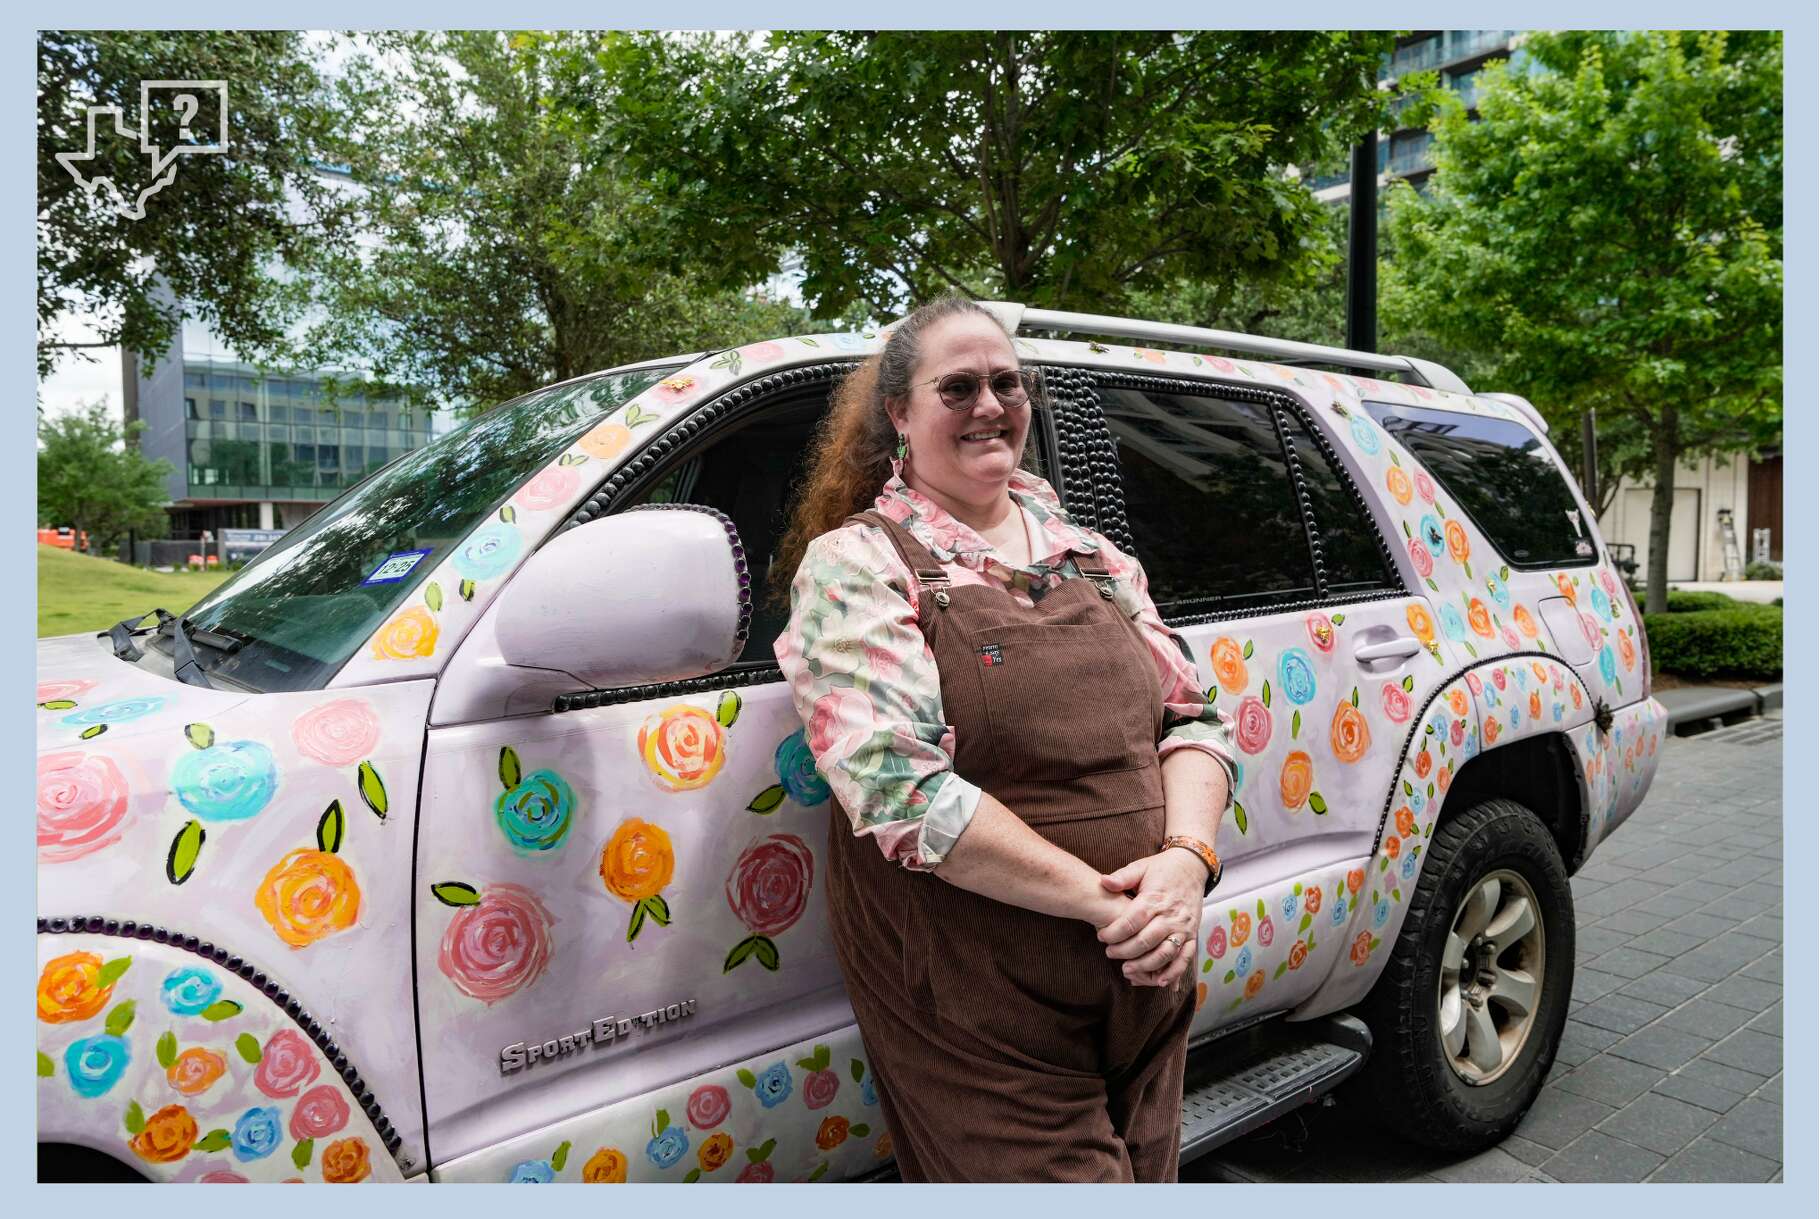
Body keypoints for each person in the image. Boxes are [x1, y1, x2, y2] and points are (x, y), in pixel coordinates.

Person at [772, 295, 1236, 1182]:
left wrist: (1185, 861)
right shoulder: (858, 564)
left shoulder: (1095, 556)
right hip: (981, 1003)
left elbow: (1193, 719)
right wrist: (1113, 905)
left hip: (1146, 980)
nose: (990, 404)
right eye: (958, 387)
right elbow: (900, 790)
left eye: (1007, 382)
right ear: (900, 415)